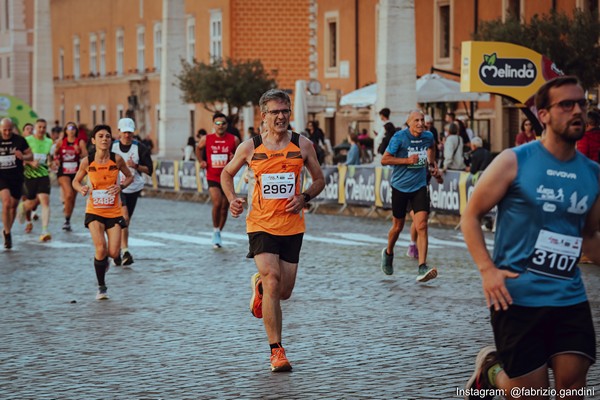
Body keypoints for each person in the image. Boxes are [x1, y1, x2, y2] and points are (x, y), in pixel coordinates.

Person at [461, 76, 598, 399]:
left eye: (582, 103)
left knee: (572, 389)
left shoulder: (592, 174)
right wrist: (487, 270)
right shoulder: (514, 161)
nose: (577, 110)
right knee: (530, 394)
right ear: (544, 114)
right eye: (566, 104)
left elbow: (589, 237)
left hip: (569, 297)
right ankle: (491, 374)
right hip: (517, 297)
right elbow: (470, 215)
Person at [221, 89, 325, 372]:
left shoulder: (303, 145)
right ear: (263, 116)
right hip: (261, 225)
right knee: (272, 277)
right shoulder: (250, 147)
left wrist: (304, 197)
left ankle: (260, 288)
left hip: (292, 225)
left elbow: (319, 179)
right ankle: (276, 351)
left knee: (285, 291)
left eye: (285, 111)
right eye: (275, 112)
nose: (281, 116)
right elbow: (226, 173)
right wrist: (232, 199)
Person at [73, 124, 133, 300]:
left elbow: (130, 176)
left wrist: (120, 186)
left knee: (114, 253)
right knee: (100, 248)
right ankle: (101, 287)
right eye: (100, 136)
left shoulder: (117, 159)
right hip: (94, 210)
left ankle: (104, 261)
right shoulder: (87, 161)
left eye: (107, 136)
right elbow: (75, 181)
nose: (104, 139)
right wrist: (81, 189)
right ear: (93, 140)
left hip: (113, 211)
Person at [380, 110, 439, 282]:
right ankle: (389, 252)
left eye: (422, 120)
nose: (421, 123)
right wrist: (407, 161)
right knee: (398, 227)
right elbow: (385, 159)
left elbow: (432, 147)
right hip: (399, 187)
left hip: (419, 186)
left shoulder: (428, 136)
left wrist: (432, 163)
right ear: (409, 122)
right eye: (417, 120)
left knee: (422, 225)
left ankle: (422, 266)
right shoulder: (399, 137)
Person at [111, 118, 153, 266]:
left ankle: (118, 251)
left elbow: (149, 170)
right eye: (124, 132)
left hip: (133, 187)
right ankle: (124, 250)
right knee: (124, 216)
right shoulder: (112, 147)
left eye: (129, 132)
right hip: (116, 187)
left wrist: (135, 166)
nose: (127, 135)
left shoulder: (140, 148)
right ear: (119, 132)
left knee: (125, 222)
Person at [196, 112, 240, 248]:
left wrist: (234, 157)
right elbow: (198, 149)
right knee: (217, 202)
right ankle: (215, 230)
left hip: (227, 177)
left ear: (227, 125)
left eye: (223, 123)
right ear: (213, 125)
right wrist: (201, 161)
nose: (220, 126)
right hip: (213, 176)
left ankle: (218, 232)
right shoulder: (206, 139)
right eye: (218, 123)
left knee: (225, 206)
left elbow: (240, 155)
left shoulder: (234, 139)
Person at [17, 119, 53, 242]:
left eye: (44, 127)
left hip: (43, 175)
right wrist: (30, 162)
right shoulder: (27, 141)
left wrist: (51, 163)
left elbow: (48, 157)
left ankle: (44, 230)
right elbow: (19, 158)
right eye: (40, 127)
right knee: (31, 203)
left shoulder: (49, 141)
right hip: (29, 176)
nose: (42, 129)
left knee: (45, 202)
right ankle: (23, 206)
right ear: (35, 128)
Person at [0, 118, 33, 249]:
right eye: (4, 130)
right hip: (2, 177)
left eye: (9, 130)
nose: (7, 132)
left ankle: (7, 229)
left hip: (16, 177)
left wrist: (23, 156)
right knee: (7, 202)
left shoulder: (19, 140)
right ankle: (7, 235)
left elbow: (31, 156)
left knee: (13, 206)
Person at [54, 121, 88, 231]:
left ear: (76, 131)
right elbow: (54, 154)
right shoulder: (61, 142)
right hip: (63, 171)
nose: (72, 130)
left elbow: (86, 156)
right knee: (68, 194)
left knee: (72, 198)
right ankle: (66, 219)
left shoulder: (80, 142)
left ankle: (67, 219)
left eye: (73, 128)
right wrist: (56, 160)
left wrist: (79, 152)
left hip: (76, 172)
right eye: (69, 128)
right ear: (65, 130)